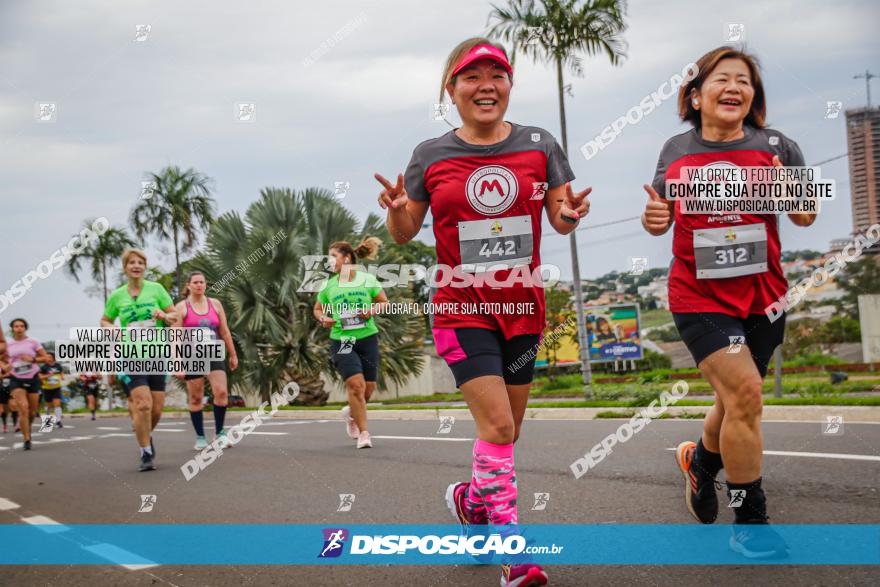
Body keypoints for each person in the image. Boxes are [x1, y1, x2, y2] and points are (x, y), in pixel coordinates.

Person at [375, 38, 589, 587]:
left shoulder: (539, 144)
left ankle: (472, 501)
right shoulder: (430, 154)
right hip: (459, 307)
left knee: (508, 432)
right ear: (452, 89)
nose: (486, 85)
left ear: (510, 85)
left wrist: (570, 214)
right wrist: (399, 211)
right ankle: (515, 556)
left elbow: (560, 218)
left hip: (522, 308)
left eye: (497, 74)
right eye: (472, 77)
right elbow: (403, 234)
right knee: (494, 423)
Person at [641, 46, 816, 558]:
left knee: (734, 400)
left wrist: (792, 192)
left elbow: (804, 217)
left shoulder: (779, 146)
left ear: (753, 97)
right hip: (698, 294)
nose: (734, 87)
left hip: (764, 296)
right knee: (746, 395)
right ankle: (751, 522)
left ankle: (701, 466)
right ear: (696, 95)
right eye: (722, 79)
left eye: (744, 81)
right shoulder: (675, 149)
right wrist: (654, 219)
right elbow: (660, 215)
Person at [100, 248, 177, 471]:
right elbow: (105, 320)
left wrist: (164, 316)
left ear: (145, 267)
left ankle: (144, 433)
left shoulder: (157, 289)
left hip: (156, 354)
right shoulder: (117, 296)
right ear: (125, 268)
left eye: (140, 262)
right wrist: (111, 328)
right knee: (143, 404)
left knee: (157, 408)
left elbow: (174, 315)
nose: (136, 266)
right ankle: (145, 452)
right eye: (132, 262)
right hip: (130, 355)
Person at [313, 238, 389, 449]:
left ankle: (352, 413)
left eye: (333, 257)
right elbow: (318, 309)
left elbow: (384, 302)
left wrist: (370, 311)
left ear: (346, 259)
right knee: (355, 385)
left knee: (369, 387)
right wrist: (323, 319)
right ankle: (364, 433)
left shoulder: (366, 280)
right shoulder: (329, 285)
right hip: (343, 340)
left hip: (367, 337)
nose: (330, 261)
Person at [173, 271, 239, 450]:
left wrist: (233, 354)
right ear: (188, 285)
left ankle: (219, 433)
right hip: (192, 355)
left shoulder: (215, 304)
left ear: (206, 284)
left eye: (202, 282)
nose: (199, 285)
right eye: (195, 282)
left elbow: (224, 331)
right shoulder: (181, 307)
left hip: (214, 352)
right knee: (196, 396)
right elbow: (176, 337)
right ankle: (200, 437)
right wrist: (177, 362)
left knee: (222, 392)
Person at [6, 318, 50, 450]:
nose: (19, 328)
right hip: (16, 378)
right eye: (16, 326)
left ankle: (27, 428)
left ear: (25, 328)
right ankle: (26, 439)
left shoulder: (33, 342)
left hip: (33, 378)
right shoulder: (8, 344)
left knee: (32, 412)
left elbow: (46, 358)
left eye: (21, 326)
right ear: (12, 329)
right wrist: (5, 366)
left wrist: (33, 359)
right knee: (23, 408)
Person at [38, 353, 65, 429]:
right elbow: (40, 377)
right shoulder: (43, 367)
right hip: (47, 388)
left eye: (49, 357)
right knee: (49, 406)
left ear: (53, 358)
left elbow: (61, 371)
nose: (48, 358)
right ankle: (47, 422)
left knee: (57, 404)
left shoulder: (58, 365)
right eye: (46, 357)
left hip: (56, 387)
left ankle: (58, 421)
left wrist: (62, 376)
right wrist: (48, 376)